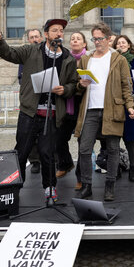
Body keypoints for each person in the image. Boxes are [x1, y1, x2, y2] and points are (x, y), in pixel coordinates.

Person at [0, 19, 77, 202]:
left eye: (61, 30)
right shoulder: (31, 51)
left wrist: (66, 90)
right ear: (46, 34)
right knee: (21, 152)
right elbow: (10, 54)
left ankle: (50, 188)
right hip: (30, 112)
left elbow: (73, 83)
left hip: (52, 114)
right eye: (54, 30)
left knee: (48, 154)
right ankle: (15, 188)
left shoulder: (68, 58)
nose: (59, 33)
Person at [75, 23, 134, 202]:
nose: (97, 42)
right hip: (90, 110)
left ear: (109, 39)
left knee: (113, 149)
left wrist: (130, 106)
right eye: (94, 39)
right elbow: (78, 86)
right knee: (84, 149)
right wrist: (81, 85)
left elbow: (127, 85)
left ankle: (110, 185)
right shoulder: (86, 59)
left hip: (113, 109)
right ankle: (87, 184)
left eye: (100, 38)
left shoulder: (119, 59)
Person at [113, 34, 134, 182]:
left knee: (130, 139)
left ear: (129, 45)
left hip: (132, 105)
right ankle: (116, 167)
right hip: (116, 105)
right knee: (114, 139)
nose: (121, 45)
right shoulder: (112, 61)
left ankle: (133, 168)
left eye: (124, 43)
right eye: (118, 43)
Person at [58, 31, 86, 189]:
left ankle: (80, 178)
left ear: (84, 44)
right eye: (73, 39)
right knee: (59, 139)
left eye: (78, 39)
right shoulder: (64, 59)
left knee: (83, 145)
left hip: (81, 105)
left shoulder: (89, 59)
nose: (75, 41)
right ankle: (65, 163)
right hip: (66, 105)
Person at [18, 28, 43, 174]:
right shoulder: (25, 54)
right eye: (32, 37)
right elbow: (21, 77)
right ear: (28, 40)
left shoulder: (46, 53)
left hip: (45, 98)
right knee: (29, 134)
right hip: (30, 99)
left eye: (37, 37)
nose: (35, 39)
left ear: (41, 38)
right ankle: (35, 161)